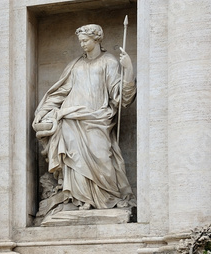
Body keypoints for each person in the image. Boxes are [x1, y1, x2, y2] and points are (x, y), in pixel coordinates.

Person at [32, 24, 136, 219]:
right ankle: (80, 199)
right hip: (72, 118)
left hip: (98, 119)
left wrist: (128, 69)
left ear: (97, 40)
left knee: (102, 158)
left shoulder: (109, 62)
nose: (82, 44)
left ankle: (105, 197)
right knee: (74, 159)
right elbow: (60, 92)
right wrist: (44, 111)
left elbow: (120, 97)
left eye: (85, 40)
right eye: (80, 41)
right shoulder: (75, 65)